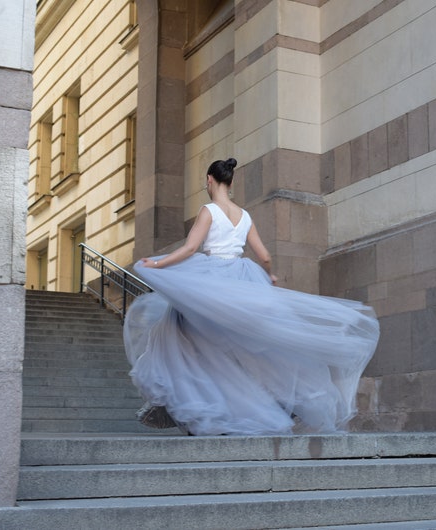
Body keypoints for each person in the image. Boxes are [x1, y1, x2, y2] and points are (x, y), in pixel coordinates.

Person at [124, 158, 379, 435]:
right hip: (243, 277)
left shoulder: (208, 211)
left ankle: (197, 406)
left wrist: (157, 264)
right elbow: (265, 256)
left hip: (214, 280)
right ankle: (251, 403)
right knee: (239, 348)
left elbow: (190, 248)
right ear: (230, 183)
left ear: (209, 180)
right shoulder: (244, 216)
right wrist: (268, 275)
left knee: (181, 335)